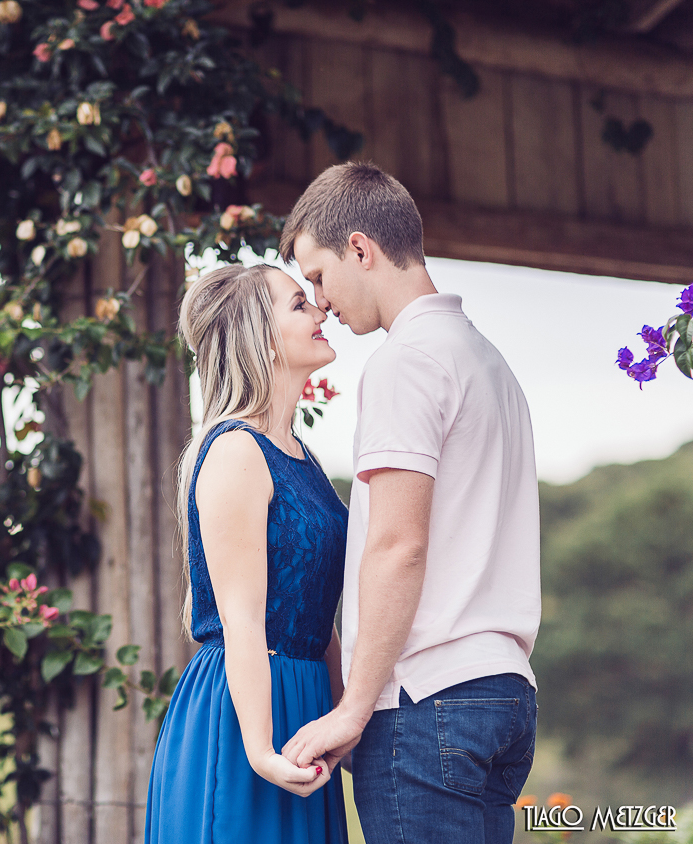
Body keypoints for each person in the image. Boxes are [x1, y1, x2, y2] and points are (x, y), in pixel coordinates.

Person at [278, 161, 540, 844]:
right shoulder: (489, 363)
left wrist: (352, 710)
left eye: (318, 276)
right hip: (503, 692)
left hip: (427, 703)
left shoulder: (408, 362)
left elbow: (399, 545)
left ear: (360, 248)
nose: (321, 300)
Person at [145, 263, 350, 844]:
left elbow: (319, 612)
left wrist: (341, 716)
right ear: (257, 335)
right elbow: (242, 619)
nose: (320, 310)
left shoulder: (303, 456)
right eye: (297, 304)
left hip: (303, 702)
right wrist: (258, 749)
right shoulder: (236, 450)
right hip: (243, 715)